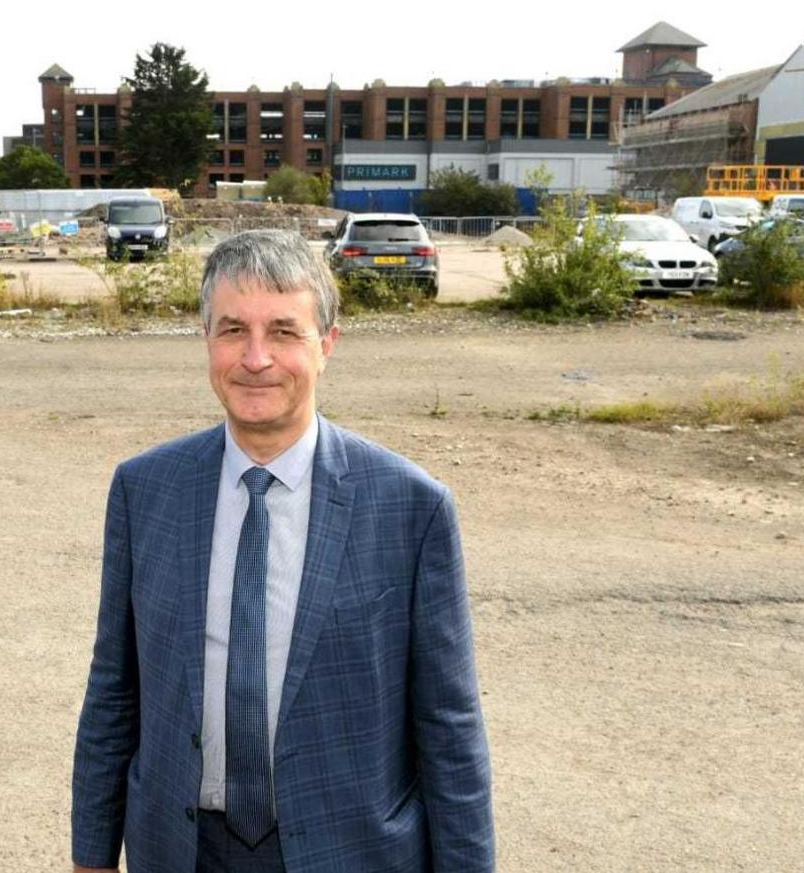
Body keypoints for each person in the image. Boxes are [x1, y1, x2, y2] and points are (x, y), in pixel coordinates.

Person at [72, 230, 494, 873]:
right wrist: (93, 856)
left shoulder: (411, 506)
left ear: (327, 345)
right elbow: (114, 690)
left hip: (351, 852)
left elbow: (449, 725)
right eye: (233, 330)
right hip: (182, 851)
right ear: (206, 340)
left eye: (284, 332)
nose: (256, 357)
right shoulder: (144, 490)